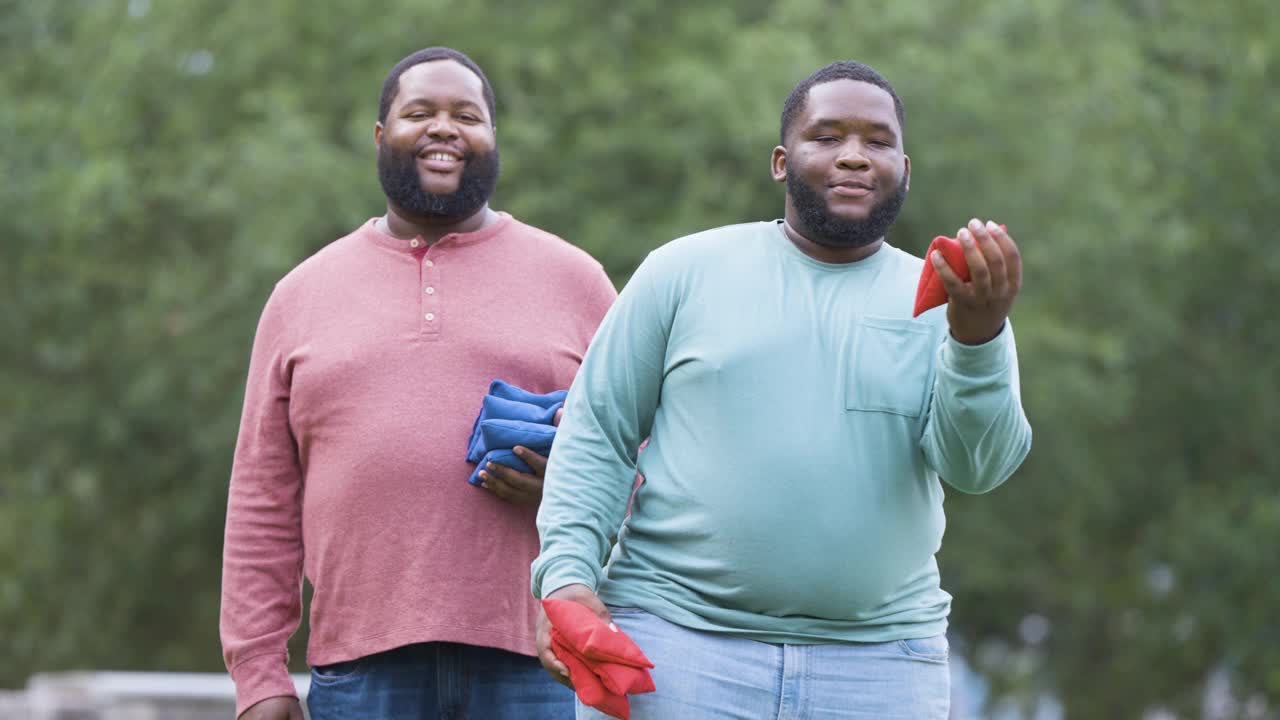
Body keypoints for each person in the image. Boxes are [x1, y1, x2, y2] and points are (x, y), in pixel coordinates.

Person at [531, 60, 1032, 719]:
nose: (854, 156)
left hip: (878, 666)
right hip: (678, 648)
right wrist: (566, 578)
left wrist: (977, 338)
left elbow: (978, 468)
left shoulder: (953, 303)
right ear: (780, 160)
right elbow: (598, 431)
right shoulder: (682, 272)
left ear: (905, 170)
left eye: (878, 141)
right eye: (826, 136)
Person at [220, 47, 616, 720]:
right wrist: (259, 678)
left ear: (493, 140)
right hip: (361, 669)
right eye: (419, 113)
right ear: (382, 137)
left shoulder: (576, 281)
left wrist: (574, 484)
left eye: (468, 115)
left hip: (541, 660)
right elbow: (263, 501)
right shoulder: (301, 294)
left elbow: (649, 459)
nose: (445, 129)